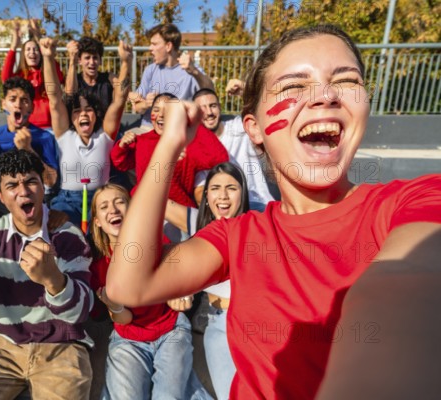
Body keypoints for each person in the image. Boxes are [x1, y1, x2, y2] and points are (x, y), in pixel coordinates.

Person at [106, 25, 441, 399]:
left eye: (346, 81)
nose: (326, 95)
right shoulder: (239, 235)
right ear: (254, 128)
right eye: (294, 86)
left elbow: (409, 282)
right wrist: (167, 146)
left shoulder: (418, 200)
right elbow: (128, 284)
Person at [0, 149, 94, 399]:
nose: (23, 191)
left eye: (31, 181)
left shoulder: (68, 236)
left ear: (43, 187)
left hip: (62, 348)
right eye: (12, 185)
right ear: (1, 196)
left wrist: (53, 279)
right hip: (2, 349)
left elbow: (80, 312)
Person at [89, 183, 212, 400]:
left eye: (120, 202)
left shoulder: (155, 242)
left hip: (171, 331)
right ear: (97, 221)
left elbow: (180, 278)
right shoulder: (99, 267)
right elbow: (123, 319)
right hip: (128, 339)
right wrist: (113, 305)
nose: (114, 210)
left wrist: (182, 293)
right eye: (104, 206)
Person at [165, 162, 249, 400]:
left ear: (243, 191)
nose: (222, 196)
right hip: (217, 325)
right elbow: (147, 196)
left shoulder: (257, 223)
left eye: (231, 188)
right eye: (215, 188)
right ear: (206, 194)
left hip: (253, 323)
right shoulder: (195, 222)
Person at [42, 37, 131, 228]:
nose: (83, 114)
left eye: (89, 110)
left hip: (101, 200)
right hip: (67, 202)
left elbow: (120, 99)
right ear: (72, 119)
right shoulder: (65, 136)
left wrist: (126, 62)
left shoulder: (104, 136)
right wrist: (48, 58)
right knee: (62, 239)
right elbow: (54, 98)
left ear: (96, 115)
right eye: (77, 111)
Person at [111, 93, 229, 209]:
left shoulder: (187, 143)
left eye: (168, 111)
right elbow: (120, 163)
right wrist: (122, 146)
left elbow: (220, 158)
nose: (161, 115)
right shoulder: (142, 141)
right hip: (145, 208)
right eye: (156, 109)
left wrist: (195, 123)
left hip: (179, 212)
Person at [0, 76, 59, 214]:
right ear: (4, 104)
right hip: (0, 198)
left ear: (32, 107)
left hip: (32, 198)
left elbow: (51, 181)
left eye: (24, 100)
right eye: (12, 99)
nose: (18, 105)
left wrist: (28, 150)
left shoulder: (44, 137)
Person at [192, 88, 274, 210]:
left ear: (220, 107)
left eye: (213, 106)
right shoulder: (196, 146)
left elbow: (265, 113)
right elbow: (199, 192)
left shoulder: (237, 128)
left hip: (258, 203)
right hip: (225, 210)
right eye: (202, 108)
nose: (209, 112)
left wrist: (245, 93)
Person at [129, 23, 215, 129]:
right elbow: (137, 107)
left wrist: (194, 71)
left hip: (178, 129)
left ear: (168, 46)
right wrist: (147, 103)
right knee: (122, 143)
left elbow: (211, 91)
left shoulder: (191, 69)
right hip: (149, 128)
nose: (150, 48)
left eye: (154, 44)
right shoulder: (150, 70)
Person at [1, 19, 65, 129]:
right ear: (23, 55)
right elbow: (5, 78)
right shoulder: (20, 75)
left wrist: (38, 36)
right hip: (26, 125)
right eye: (28, 50)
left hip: (50, 126)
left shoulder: (47, 72)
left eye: (35, 49)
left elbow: (57, 77)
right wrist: (14, 45)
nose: (32, 52)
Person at [65, 36, 117, 115]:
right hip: (82, 125)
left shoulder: (109, 78)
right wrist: (72, 60)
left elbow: (123, 89)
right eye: (87, 58)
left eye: (95, 58)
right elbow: (69, 93)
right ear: (79, 60)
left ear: (100, 61)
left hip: (104, 125)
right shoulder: (75, 80)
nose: (92, 62)